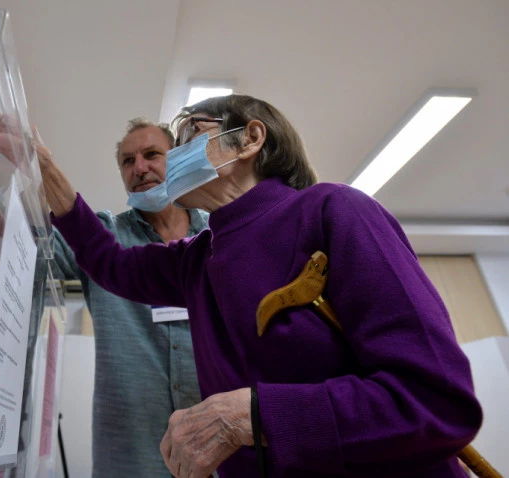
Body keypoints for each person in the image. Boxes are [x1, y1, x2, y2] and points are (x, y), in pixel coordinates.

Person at [34, 94, 483, 477]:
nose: (171, 158)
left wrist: (254, 416)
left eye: (190, 134)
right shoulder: (197, 259)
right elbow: (110, 262)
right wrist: (44, 169)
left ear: (250, 138)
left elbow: (437, 402)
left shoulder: (335, 211)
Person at [0, 117, 208, 477]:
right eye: (128, 161)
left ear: (176, 157)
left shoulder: (217, 237)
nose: (139, 168)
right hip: (129, 458)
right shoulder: (104, 236)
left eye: (152, 154)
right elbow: (29, 259)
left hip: (221, 453)